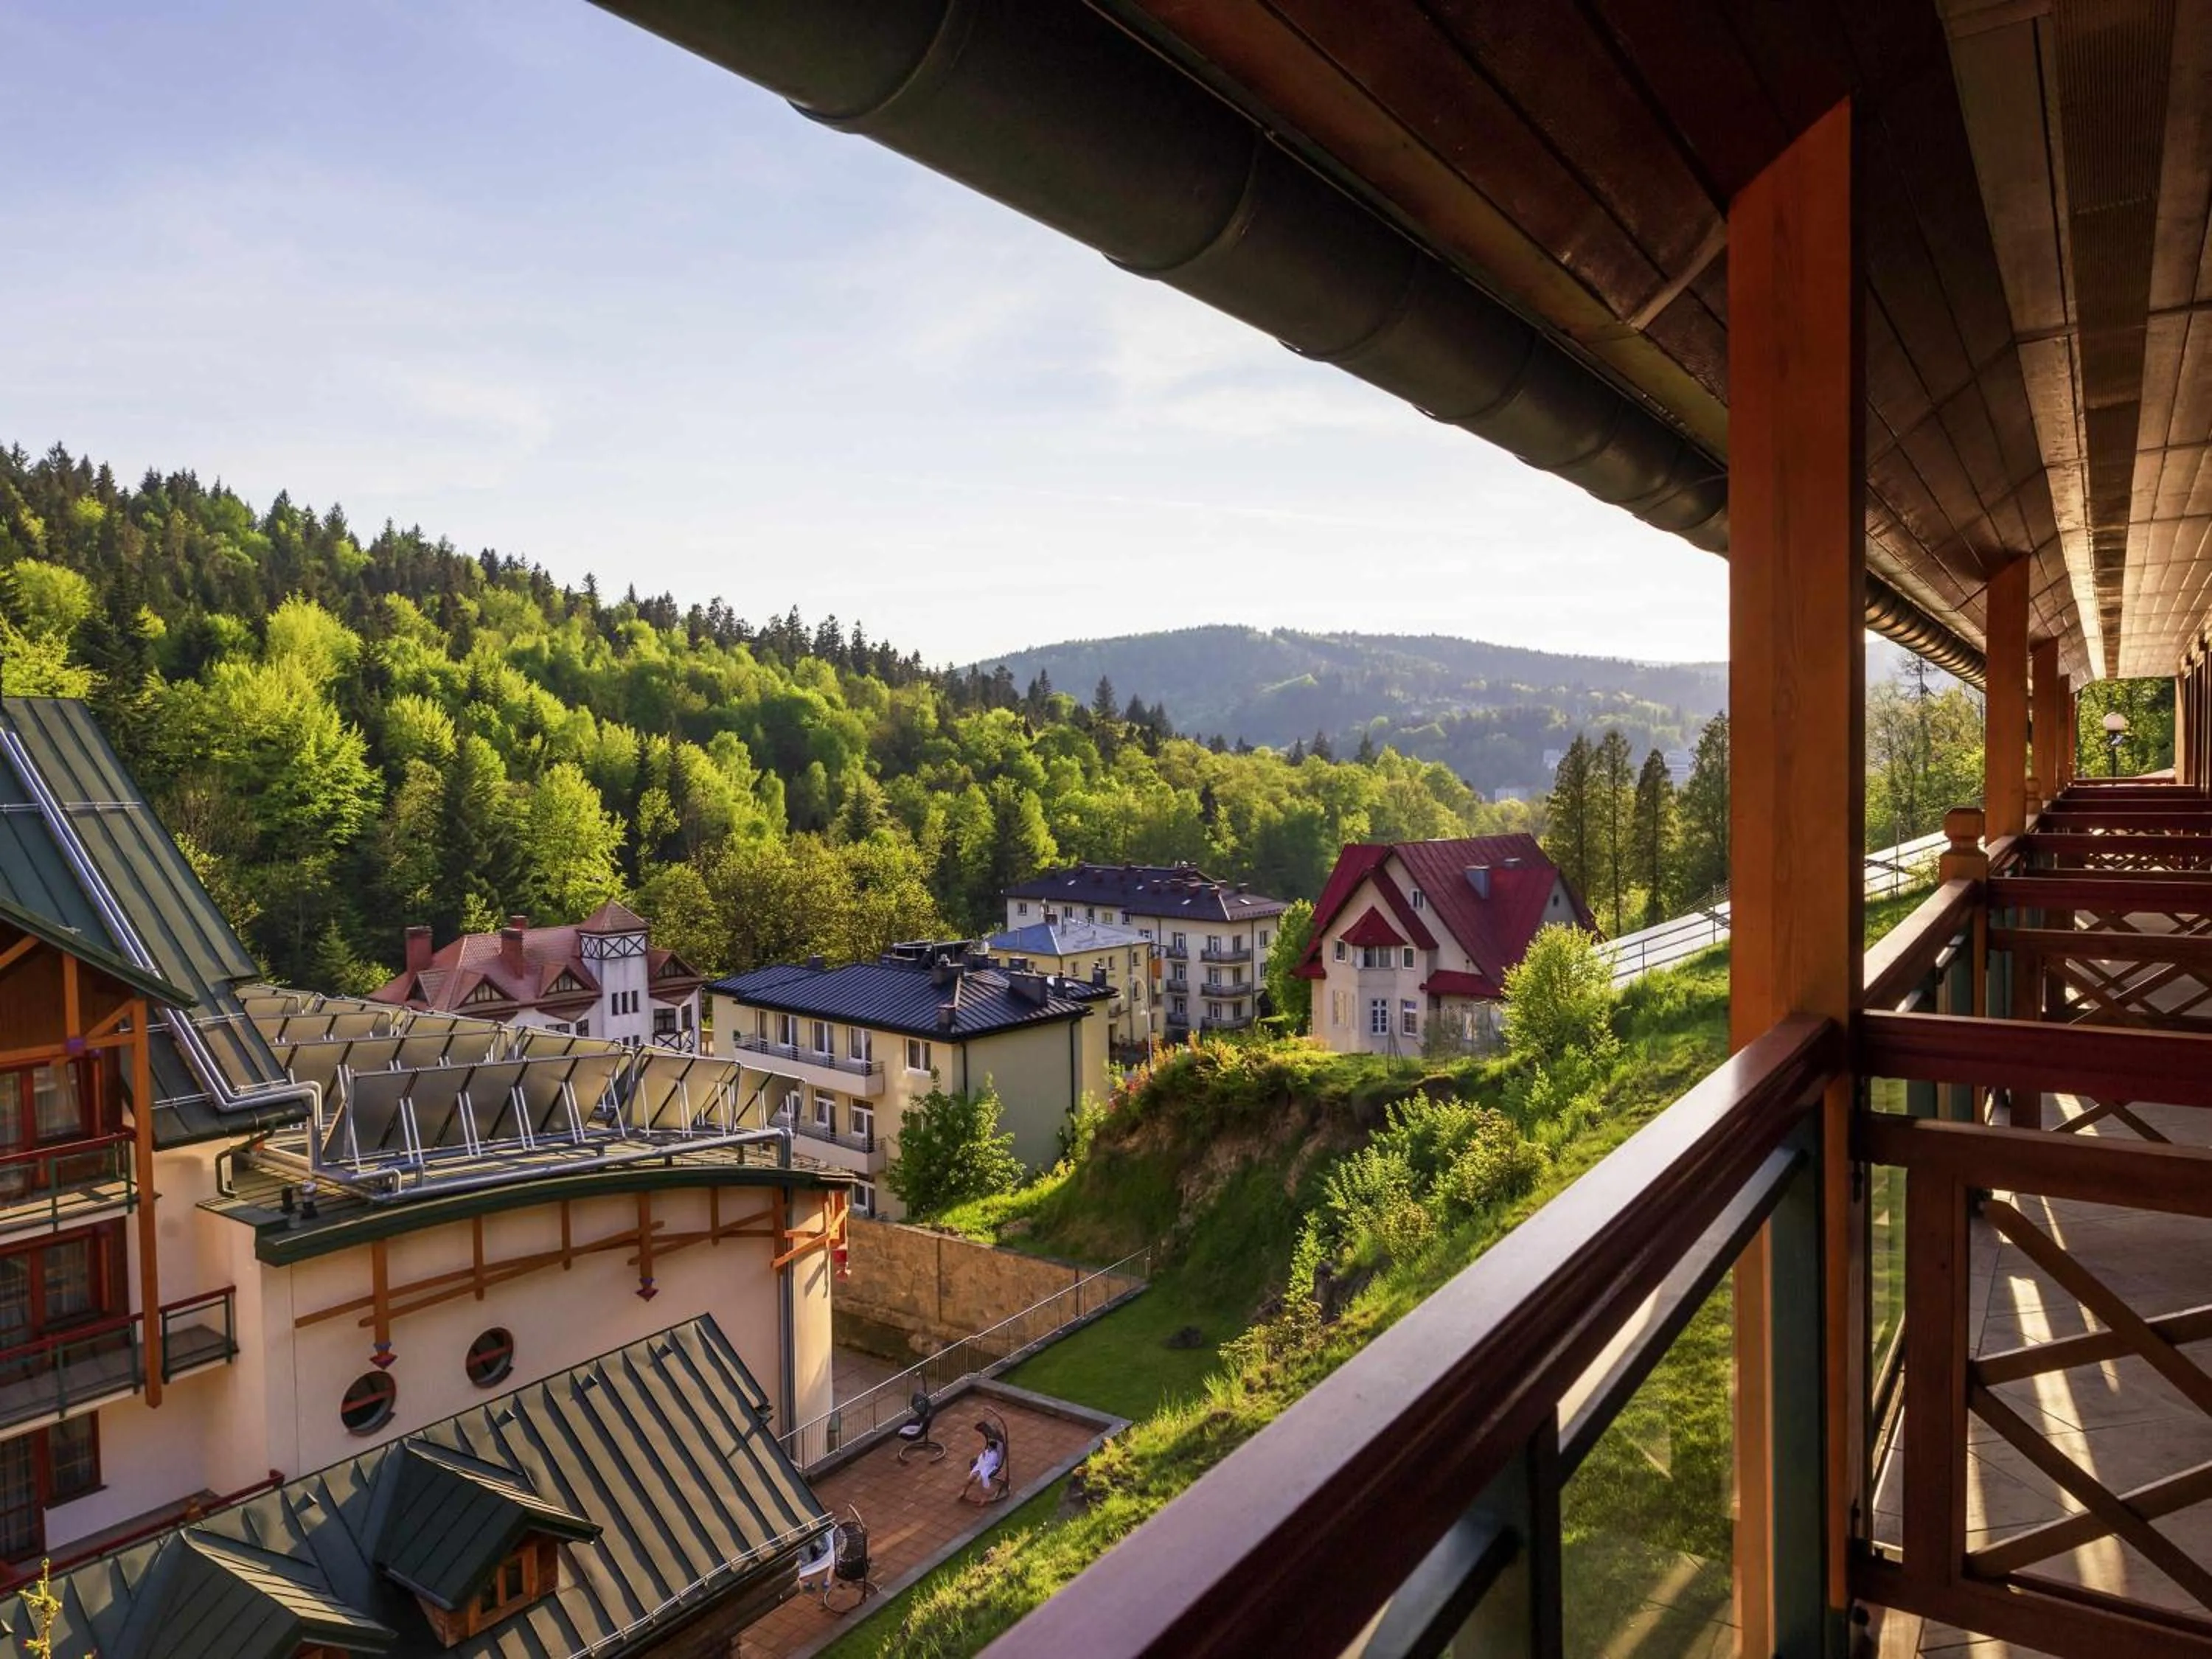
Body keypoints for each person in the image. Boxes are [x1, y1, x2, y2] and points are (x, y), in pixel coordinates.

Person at [959, 1420, 1004, 1505]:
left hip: (989, 1468)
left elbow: (992, 1463)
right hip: (981, 1465)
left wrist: (982, 1471)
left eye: (990, 1447)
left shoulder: (995, 1454)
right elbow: (982, 1459)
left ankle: (984, 1497)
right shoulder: (987, 1451)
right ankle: (964, 1491)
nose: (988, 1448)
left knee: (982, 1479)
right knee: (971, 1478)